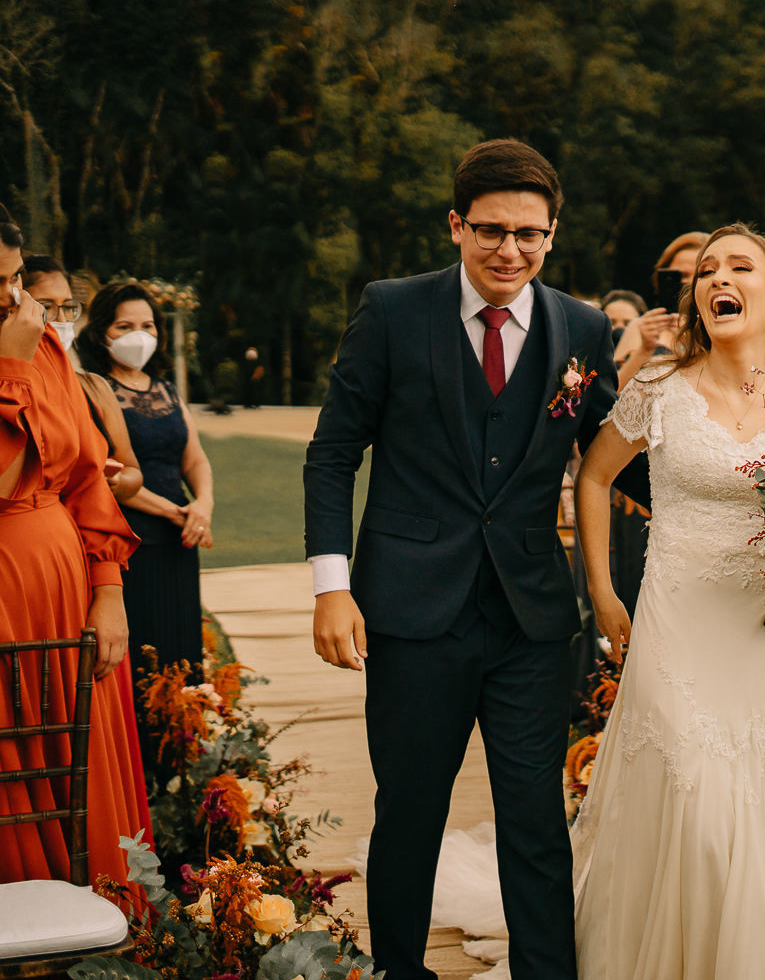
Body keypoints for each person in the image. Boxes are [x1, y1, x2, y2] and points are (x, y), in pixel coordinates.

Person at [304, 139, 643, 980]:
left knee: (534, 814)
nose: (509, 250)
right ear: (456, 226)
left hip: (531, 614)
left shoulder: (583, 328)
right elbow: (331, 455)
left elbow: (613, 458)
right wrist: (330, 588)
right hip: (412, 611)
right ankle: (400, 971)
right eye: (490, 229)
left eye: (529, 234)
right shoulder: (391, 310)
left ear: (552, 236)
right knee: (411, 809)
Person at [570, 224, 765, 979]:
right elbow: (594, 475)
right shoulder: (658, 392)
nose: (716, 278)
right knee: (693, 802)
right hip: (677, 622)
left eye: (738, 266)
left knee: (757, 805)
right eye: (705, 271)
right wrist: (602, 589)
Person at [0, 206, 152, 886]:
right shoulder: (20, 349)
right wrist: (9, 364)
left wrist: (109, 590)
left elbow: (89, 475)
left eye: (12, 279)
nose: (14, 301)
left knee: (79, 767)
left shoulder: (48, 349)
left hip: (64, 580)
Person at [76, 282, 215, 674]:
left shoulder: (167, 390)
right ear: (101, 331)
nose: (139, 335)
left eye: (148, 325)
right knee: (141, 656)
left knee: (180, 652)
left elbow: (196, 460)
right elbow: (108, 477)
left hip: (180, 541)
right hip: (129, 539)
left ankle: (182, 733)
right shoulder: (93, 390)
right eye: (124, 326)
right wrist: (175, 511)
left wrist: (203, 504)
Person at [21, 254, 143, 503]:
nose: (62, 320)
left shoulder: (93, 387)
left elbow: (132, 472)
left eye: (68, 307)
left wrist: (116, 482)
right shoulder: (12, 389)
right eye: (46, 307)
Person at [615, 232, 703, 386]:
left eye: (694, 275)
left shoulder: (717, 331)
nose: (684, 282)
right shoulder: (642, 326)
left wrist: (695, 346)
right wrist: (644, 349)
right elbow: (610, 393)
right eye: (676, 275)